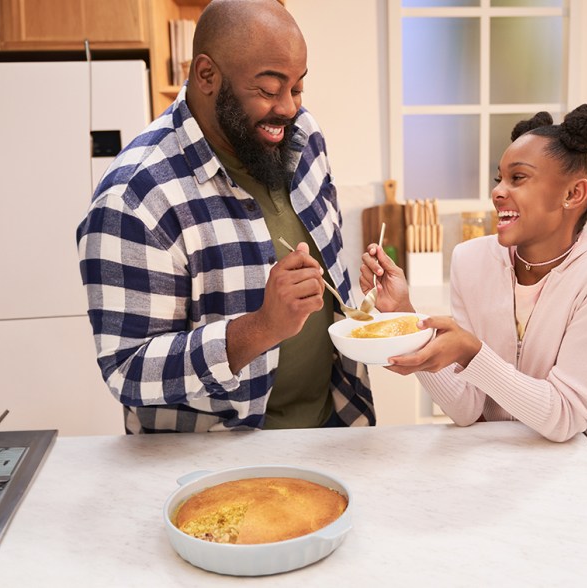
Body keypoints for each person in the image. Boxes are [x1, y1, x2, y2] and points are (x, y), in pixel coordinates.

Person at [76, 0, 373, 433]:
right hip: (221, 458)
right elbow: (128, 370)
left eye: (298, 88)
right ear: (206, 75)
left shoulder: (303, 135)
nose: (289, 107)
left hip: (334, 421)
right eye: (269, 90)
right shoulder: (136, 197)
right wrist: (261, 327)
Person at [359, 104, 587, 442]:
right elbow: (466, 411)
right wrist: (404, 316)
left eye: (517, 178)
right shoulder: (471, 259)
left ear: (572, 193)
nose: (497, 192)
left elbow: (564, 417)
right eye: (499, 178)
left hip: (564, 469)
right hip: (485, 465)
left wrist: (472, 352)